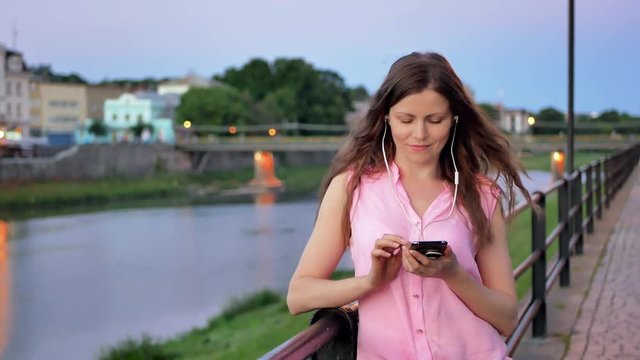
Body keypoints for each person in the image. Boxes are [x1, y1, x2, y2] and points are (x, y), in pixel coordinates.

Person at [287, 52, 531, 359]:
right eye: (406, 119)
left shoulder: (482, 194)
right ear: (386, 115)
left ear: (454, 118)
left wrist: (453, 274)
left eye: (435, 120)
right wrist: (371, 282)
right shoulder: (351, 188)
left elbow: (507, 318)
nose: (420, 134)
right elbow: (299, 296)